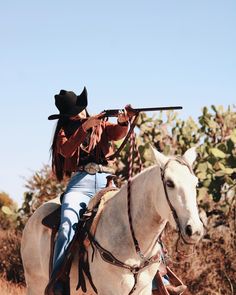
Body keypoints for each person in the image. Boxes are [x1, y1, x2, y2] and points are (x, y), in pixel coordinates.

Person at [45, 87, 133, 295]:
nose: (81, 114)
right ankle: (57, 280)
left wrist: (123, 121)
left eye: (81, 110)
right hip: (80, 183)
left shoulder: (101, 123)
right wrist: (84, 127)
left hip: (106, 180)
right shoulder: (64, 132)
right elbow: (66, 150)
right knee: (66, 225)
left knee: (133, 215)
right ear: (68, 116)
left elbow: (117, 133)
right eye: (75, 113)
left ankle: (160, 277)